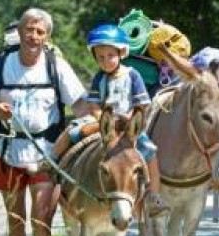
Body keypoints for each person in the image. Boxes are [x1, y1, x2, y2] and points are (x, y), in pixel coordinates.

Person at [0, 8, 87, 236]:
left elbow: (80, 106)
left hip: (47, 153)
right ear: (19, 31)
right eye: (28, 29)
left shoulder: (57, 66)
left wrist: (101, 126)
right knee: (16, 221)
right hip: (7, 151)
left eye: (39, 31)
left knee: (42, 221)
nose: (33, 36)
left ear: (47, 37)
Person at [32, 23, 170, 218]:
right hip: (104, 123)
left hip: (129, 126)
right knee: (72, 131)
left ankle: (154, 196)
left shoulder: (132, 75)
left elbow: (142, 104)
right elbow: (95, 105)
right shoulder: (99, 78)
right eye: (100, 57)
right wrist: (102, 120)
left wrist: (130, 122)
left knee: (150, 151)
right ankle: (52, 160)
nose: (106, 61)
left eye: (110, 56)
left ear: (121, 53)